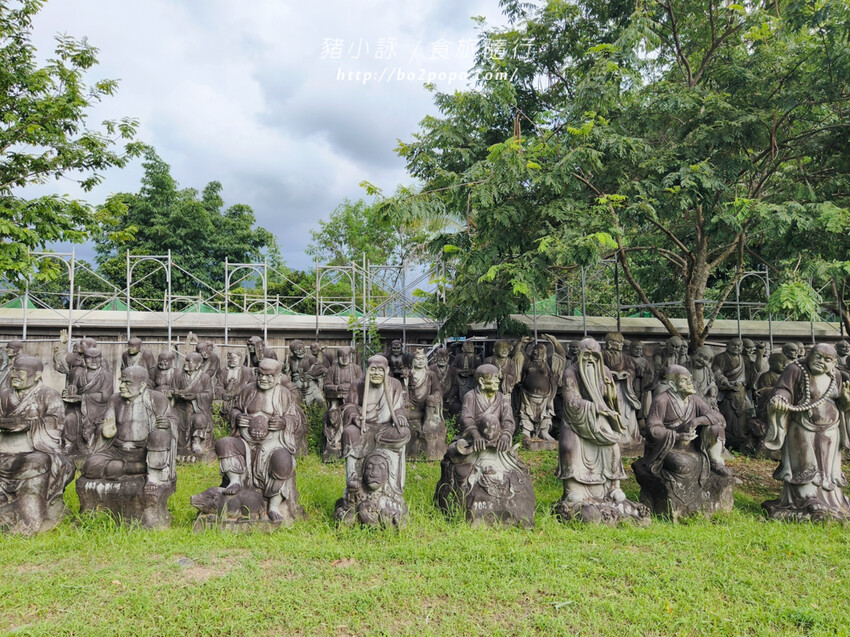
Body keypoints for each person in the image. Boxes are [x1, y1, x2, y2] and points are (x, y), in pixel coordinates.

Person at [554, 338, 649, 524]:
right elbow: (571, 400)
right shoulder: (570, 373)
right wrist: (593, 407)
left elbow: (613, 398)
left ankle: (613, 487)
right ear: (578, 356)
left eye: (594, 356)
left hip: (601, 418)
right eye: (585, 355)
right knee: (567, 446)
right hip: (577, 420)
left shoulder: (604, 371)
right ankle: (574, 489)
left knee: (612, 445)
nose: (590, 360)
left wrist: (609, 393)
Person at [435, 363, 535, 527]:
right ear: (481, 382)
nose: (498, 381)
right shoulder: (471, 396)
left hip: (497, 444)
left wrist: (506, 435)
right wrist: (475, 434)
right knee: (455, 453)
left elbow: (509, 421)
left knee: (517, 470)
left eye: (498, 378)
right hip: (473, 441)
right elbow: (466, 418)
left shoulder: (502, 398)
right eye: (494, 379)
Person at [763, 344, 850, 520]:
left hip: (831, 429)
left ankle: (832, 500)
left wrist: (847, 401)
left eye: (827, 360)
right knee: (804, 464)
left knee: (828, 468)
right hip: (802, 426)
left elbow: (842, 405)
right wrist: (780, 399)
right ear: (809, 355)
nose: (821, 362)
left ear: (834, 363)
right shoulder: (796, 369)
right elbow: (783, 389)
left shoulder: (837, 376)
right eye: (818, 357)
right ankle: (806, 498)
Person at [633, 365, 733, 519]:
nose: (690, 384)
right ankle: (680, 504)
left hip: (692, 446)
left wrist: (697, 421)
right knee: (683, 465)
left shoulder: (695, 400)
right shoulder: (662, 400)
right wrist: (677, 436)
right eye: (684, 381)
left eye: (690, 380)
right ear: (672, 384)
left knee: (715, 428)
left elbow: (719, 417)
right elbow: (653, 429)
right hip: (669, 447)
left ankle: (714, 461)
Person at [214, 358, 303, 523]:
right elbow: (234, 409)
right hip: (246, 441)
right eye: (261, 374)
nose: (263, 379)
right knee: (224, 444)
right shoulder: (248, 390)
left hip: (273, 443)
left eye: (269, 376)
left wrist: (284, 422)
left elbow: (295, 419)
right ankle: (235, 481)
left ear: (277, 377)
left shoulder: (283, 394)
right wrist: (237, 416)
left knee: (283, 461)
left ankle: (274, 505)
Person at [0, 355, 74, 535]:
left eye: (21, 372)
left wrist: (29, 425)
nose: (15, 376)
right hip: (5, 448)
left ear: (37, 375)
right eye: (13, 371)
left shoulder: (48, 395)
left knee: (38, 462)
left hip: (34, 448)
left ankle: (30, 517)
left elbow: (57, 422)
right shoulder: (5, 395)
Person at [336, 355, 411, 526]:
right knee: (349, 433)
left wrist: (399, 417)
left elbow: (399, 408)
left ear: (387, 371)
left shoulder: (395, 385)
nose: (376, 373)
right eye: (373, 369)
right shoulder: (357, 385)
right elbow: (349, 406)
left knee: (404, 433)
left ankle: (392, 489)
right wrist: (355, 417)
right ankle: (353, 480)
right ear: (367, 370)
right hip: (365, 427)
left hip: (386, 427)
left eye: (380, 369)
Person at [62, 347, 114, 458]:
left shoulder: (107, 375)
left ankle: (94, 448)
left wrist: (82, 398)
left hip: (99, 409)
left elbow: (105, 396)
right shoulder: (77, 373)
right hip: (79, 408)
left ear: (101, 359)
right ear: (84, 360)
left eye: (97, 358)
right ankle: (69, 444)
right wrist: (70, 391)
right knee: (69, 418)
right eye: (90, 358)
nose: (94, 361)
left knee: (101, 427)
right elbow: (72, 387)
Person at [517, 334, 565, 442]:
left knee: (547, 415)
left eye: (540, 351)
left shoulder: (549, 363)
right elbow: (517, 354)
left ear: (544, 353)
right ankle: (526, 432)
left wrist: (554, 340)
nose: (536, 352)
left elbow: (561, 355)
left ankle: (544, 432)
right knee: (525, 413)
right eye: (535, 350)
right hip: (527, 396)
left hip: (545, 397)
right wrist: (521, 342)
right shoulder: (527, 362)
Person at [712, 338, 757, 451]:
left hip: (742, 391)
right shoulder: (720, 358)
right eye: (734, 345)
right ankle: (727, 440)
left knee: (744, 415)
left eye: (739, 346)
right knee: (728, 415)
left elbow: (754, 372)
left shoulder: (745, 360)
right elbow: (716, 371)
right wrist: (725, 381)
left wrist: (759, 355)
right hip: (728, 391)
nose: (737, 348)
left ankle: (742, 439)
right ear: (727, 345)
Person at [402, 348, 445, 460]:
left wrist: (436, 396)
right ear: (413, 361)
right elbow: (403, 392)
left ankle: (427, 421)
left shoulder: (431, 374)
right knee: (410, 422)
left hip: (427, 408)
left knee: (431, 398)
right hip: (412, 409)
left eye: (422, 359)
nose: (420, 361)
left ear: (426, 361)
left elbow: (437, 390)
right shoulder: (409, 374)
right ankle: (412, 453)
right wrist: (405, 383)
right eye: (417, 359)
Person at [602, 333, 642, 450]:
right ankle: (611, 434)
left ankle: (626, 436)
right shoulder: (602, 355)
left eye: (622, 343)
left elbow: (631, 369)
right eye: (618, 343)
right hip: (608, 388)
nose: (621, 345)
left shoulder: (625, 357)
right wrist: (609, 375)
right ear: (609, 343)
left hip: (623, 388)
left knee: (626, 410)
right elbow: (599, 370)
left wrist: (627, 374)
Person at [171, 352, 214, 459]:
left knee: (200, 419)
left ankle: (196, 442)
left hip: (196, 409)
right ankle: (174, 444)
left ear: (198, 364)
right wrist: (177, 394)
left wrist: (195, 396)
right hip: (180, 409)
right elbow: (172, 391)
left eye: (190, 362)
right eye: (185, 361)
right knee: (172, 421)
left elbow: (209, 394)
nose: (186, 364)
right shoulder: (178, 376)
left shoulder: (204, 377)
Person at [323, 347, 363, 461]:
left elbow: (362, 385)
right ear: (338, 357)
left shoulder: (356, 369)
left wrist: (351, 388)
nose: (344, 359)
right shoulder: (332, 369)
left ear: (351, 357)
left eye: (347, 356)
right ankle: (333, 443)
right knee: (332, 416)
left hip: (353, 401)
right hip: (336, 400)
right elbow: (326, 386)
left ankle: (348, 442)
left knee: (351, 414)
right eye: (342, 356)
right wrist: (336, 387)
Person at [429, 347, 461, 417]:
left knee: (456, 407)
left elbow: (455, 385)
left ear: (448, 358)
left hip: (448, 397)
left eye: (445, 357)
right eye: (440, 357)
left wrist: (451, 396)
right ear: (436, 357)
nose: (442, 359)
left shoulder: (453, 370)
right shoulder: (431, 369)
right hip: (434, 396)